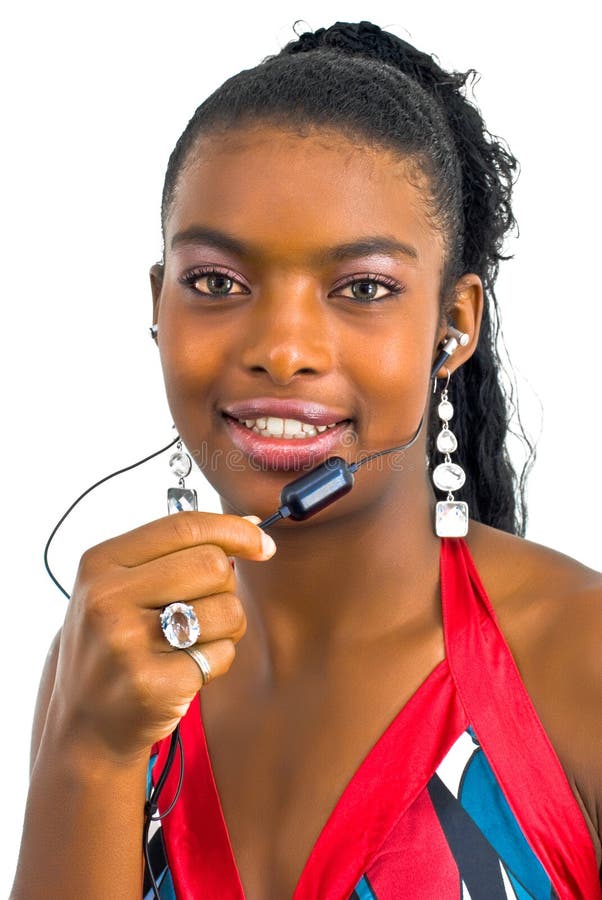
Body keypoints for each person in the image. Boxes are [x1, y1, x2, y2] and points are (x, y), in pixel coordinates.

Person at [11, 19, 601, 900]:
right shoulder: (108, 666)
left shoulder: (580, 655)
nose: (283, 350)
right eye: (216, 283)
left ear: (456, 324)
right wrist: (91, 755)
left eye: (362, 289)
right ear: (158, 302)